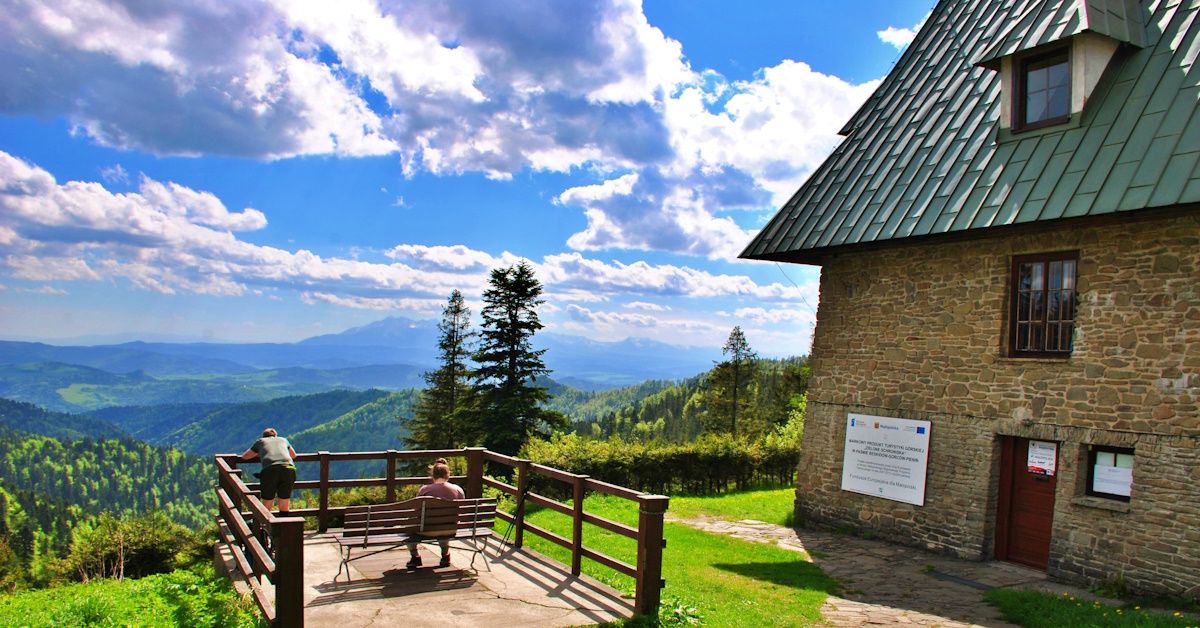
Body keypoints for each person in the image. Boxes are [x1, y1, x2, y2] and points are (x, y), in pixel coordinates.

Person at [407, 457, 465, 569]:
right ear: (448, 474)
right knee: (444, 523)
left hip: (427, 530)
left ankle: (415, 557)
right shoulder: (458, 490)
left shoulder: (425, 490)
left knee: (408, 528)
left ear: (432, 475)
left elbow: (416, 512)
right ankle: (445, 555)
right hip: (451, 529)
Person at [241, 428, 298, 514]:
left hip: (270, 469)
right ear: (275, 436)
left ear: (264, 436)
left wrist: (260, 452)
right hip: (289, 468)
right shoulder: (283, 440)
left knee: (267, 502)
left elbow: (245, 456)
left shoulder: (260, 441)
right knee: (284, 501)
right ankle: (283, 525)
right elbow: (293, 455)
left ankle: (264, 525)